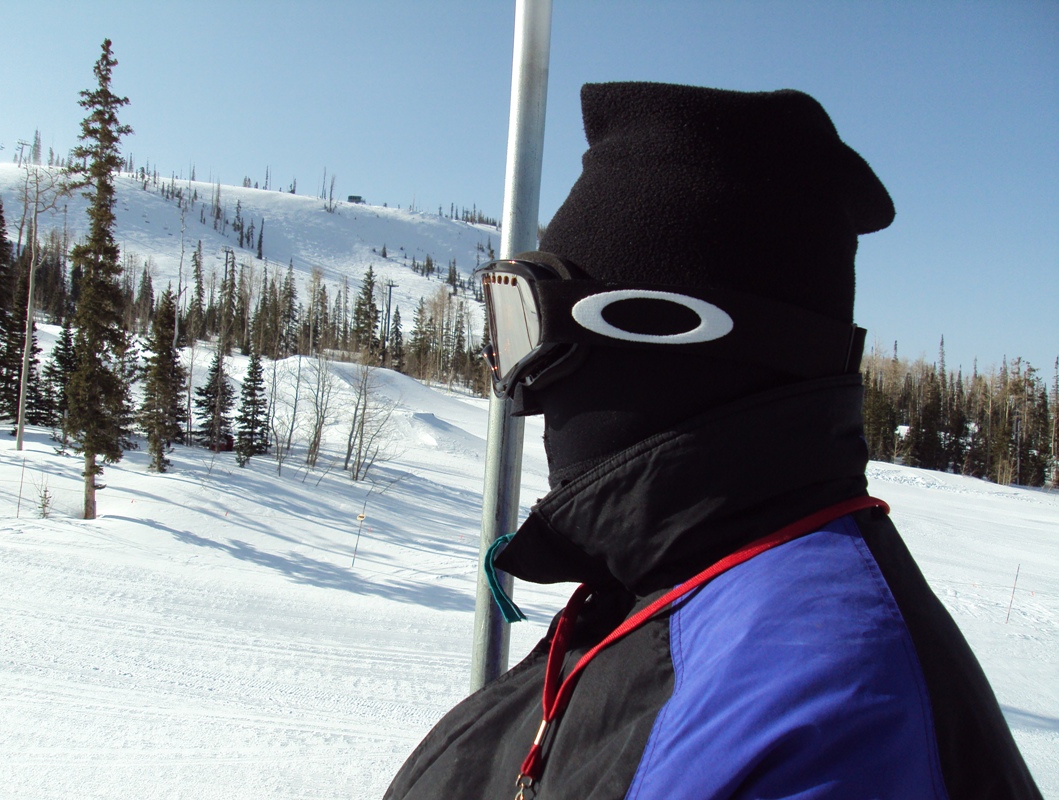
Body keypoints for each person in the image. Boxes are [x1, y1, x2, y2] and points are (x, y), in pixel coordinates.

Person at [384, 82, 1042, 800]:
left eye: (522, 329)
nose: (522, 387)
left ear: (658, 329)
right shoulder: (654, 595)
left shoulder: (828, 713)